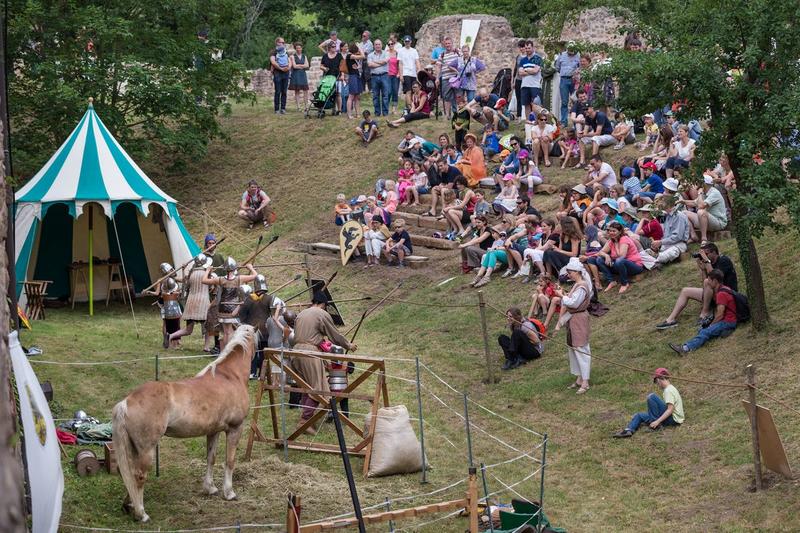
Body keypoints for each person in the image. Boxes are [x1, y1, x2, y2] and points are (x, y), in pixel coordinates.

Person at [292, 292, 356, 435]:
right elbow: (334, 335)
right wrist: (348, 345)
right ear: (324, 305)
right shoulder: (321, 313)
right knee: (319, 388)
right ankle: (304, 422)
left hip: (295, 351)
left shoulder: (301, 313)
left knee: (306, 386)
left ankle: (308, 420)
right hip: (309, 353)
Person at [656, 242, 738, 329]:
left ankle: (705, 313)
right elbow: (706, 284)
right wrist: (703, 270)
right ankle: (670, 320)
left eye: (706, 254)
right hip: (715, 293)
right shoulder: (709, 263)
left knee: (707, 281)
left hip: (727, 294)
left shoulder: (724, 260)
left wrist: (706, 261)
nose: (704, 256)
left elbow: (714, 278)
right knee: (685, 291)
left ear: (714, 252)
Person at [668, 269, 739, 354]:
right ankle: (723, 332)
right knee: (702, 329)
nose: (708, 282)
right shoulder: (724, 289)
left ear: (715, 281)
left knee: (706, 331)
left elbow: (720, 314)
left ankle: (685, 348)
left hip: (728, 321)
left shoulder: (721, 294)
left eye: (709, 280)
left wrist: (711, 325)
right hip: (728, 320)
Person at [553, 257, 593, 394]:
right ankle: (579, 378)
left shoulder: (582, 286)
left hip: (579, 319)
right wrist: (564, 294)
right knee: (573, 349)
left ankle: (586, 382)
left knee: (581, 349)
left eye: (570, 272)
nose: (568, 274)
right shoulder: (577, 285)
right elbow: (571, 300)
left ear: (576, 272)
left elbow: (574, 303)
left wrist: (561, 296)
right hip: (573, 319)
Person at [202, 257, 258, 349]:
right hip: (234, 308)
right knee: (231, 331)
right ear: (235, 268)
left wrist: (208, 270)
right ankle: (229, 351)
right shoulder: (240, 278)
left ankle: (225, 350)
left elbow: (204, 280)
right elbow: (255, 276)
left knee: (226, 332)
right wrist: (250, 268)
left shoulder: (220, 279)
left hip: (222, 308)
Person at [613, 368, 684, 438]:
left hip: (673, 419)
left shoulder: (668, 390)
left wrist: (657, 421)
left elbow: (670, 409)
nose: (657, 385)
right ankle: (628, 430)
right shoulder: (671, 388)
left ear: (658, 379)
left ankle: (655, 426)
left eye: (656, 382)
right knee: (639, 415)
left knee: (651, 397)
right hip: (672, 418)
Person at [168, 253, 213, 349]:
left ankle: (170, 336)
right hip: (203, 302)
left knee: (188, 330)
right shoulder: (206, 274)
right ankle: (206, 346)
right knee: (207, 327)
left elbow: (185, 286)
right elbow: (211, 286)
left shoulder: (191, 273)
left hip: (191, 302)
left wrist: (184, 271)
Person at [586, 221, 644, 293]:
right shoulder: (611, 240)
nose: (611, 233)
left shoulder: (624, 239)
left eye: (614, 231)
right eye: (610, 231)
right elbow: (601, 252)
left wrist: (616, 243)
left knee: (619, 261)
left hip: (634, 265)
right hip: (619, 265)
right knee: (599, 260)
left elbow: (622, 256)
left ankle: (624, 283)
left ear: (620, 232)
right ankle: (612, 281)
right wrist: (606, 255)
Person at [237, 275, 275, 379]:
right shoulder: (269, 298)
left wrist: (246, 323)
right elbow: (273, 315)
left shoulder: (249, 299)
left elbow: (242, 315)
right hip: (265, 330)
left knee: (252, 353)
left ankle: (252, 372)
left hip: (252, 330)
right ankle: (262, 374)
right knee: (263, 353)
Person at [682, 174, 728, 243]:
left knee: (701, 212)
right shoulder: (704, 192)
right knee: (684, 213)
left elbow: (701, 206)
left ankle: (704, 239)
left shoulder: (714, 193)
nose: (697, 184)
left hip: (718, 222)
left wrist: (699, 193)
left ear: (704, 184)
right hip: (707, 220)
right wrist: (682, 202)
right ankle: (693, 235)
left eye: (699, 182)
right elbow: (694, 203)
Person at [646, 195, 691, 266]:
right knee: (644, 253)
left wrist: (660, 242)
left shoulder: (679, 216)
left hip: (678, 244)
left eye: (662, 202)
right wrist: (658, 244)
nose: (659, 205)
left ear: (668, 204)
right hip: (666, 245)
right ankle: (655, 259)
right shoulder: (666, 216)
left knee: (668, 254)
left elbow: (677, 237)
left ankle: (656, 260)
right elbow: (665, 235)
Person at [554, 42, 581, 125]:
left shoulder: (578, 55)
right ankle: (564, 121)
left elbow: (581, 66)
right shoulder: (561, 55)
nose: (571, 51)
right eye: (570, 49)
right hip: (564, 80)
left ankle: (576, 121)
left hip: (574, 80)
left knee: (575, 100)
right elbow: (557, 67)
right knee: (564, 102)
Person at [436, 36, 461, 118]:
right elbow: (438, 66)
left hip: (456, 77)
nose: (447, 45)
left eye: (449, 43)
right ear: (444, 44)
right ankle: (447, 115)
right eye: (446, 43)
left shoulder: (457, 52)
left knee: (458, 96)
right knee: (446, 97)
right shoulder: (442, 55)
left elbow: (463, 62)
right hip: (445, 78)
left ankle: (459, 113)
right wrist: (437, 78)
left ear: (452, 43)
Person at [518, 40, 543, 120]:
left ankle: (537, 121)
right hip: (525, 85)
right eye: (526, 48)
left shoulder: (538, 58)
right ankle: (528, 122)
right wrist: (530, 71)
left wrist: (526, 70)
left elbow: (536, 71)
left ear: (532, 47)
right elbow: (520, 73)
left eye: (529, 48)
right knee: (526, 104)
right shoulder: (522, 60)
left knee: (536, 104)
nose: (527, 50)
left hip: (535, 85)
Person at [320, 42, 344, 115]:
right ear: (329, 48)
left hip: (337, 77)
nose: (334, 48)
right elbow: (321, 66)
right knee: (325, 92)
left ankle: (339, 110)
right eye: (333, 47)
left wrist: (342, 75)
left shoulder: (339, 55)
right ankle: (322, 108)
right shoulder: (325, 56)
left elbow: (342, 66)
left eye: (335, 46)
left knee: (338, 93)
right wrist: (324, 68)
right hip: (327, 77)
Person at [367, 39, 390, 117]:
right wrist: (381, 62)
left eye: (379, 44)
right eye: (376, 44)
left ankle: (385, 113)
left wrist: (375, 62)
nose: (378, 46)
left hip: (384, 76)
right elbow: (370, 65)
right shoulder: (370, 55)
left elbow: (386, 61)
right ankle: (377, 113)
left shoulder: (386, 53)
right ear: (374, 46)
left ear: (381, 45)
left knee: (385, 95)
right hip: (374, 77)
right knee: (375, 96)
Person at [269, 37, 291, 114]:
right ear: (277, 43)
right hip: (277, 73)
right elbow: (273, 62)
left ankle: (283, 109)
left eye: (284, 42)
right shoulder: (273, 52)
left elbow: (290, 61)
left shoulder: (286, 52)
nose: (284, 43)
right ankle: (276, 109)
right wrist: (281, 69)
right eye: (282, 42)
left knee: (284, 91)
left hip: (286, 73)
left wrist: (288, 68)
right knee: (278, 91)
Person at [397, 35, 421, 104]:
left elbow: (417, 61)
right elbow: (400, 64)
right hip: (405, 73)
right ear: (404, 42)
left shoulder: (414, 51)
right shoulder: (401, 51)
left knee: (414, 91)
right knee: (408, 91)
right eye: (406, 41)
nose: (407, 42)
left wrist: (419, 71)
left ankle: (411, 105)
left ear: (411, 42)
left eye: (408, 41)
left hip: (413, 73)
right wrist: (401, 75)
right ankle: (409, 107)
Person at [345, 43, 365, 119]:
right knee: (351, 96)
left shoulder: (352, 56)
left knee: (357, 96)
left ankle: (358, 113)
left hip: (356, 76)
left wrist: (358, 67)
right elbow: (363, 56)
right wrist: (360, 47)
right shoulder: (350, 56)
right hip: (353, 77)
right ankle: (349, 114)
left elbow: (356, 66)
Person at [289, 42, 309, 111]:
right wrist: (302, 66)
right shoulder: (292, 56)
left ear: (301, 48)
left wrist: (299, 66)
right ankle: (298, 107)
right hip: (296, 75)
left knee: (305, 90)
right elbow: (294, 66)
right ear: (295, 49)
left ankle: (306, 106)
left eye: (300, 48)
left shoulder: (304, 56)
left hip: (303, 75)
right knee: (297, 90)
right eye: (297, 48)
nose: (298, 49)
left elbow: (307, 65)